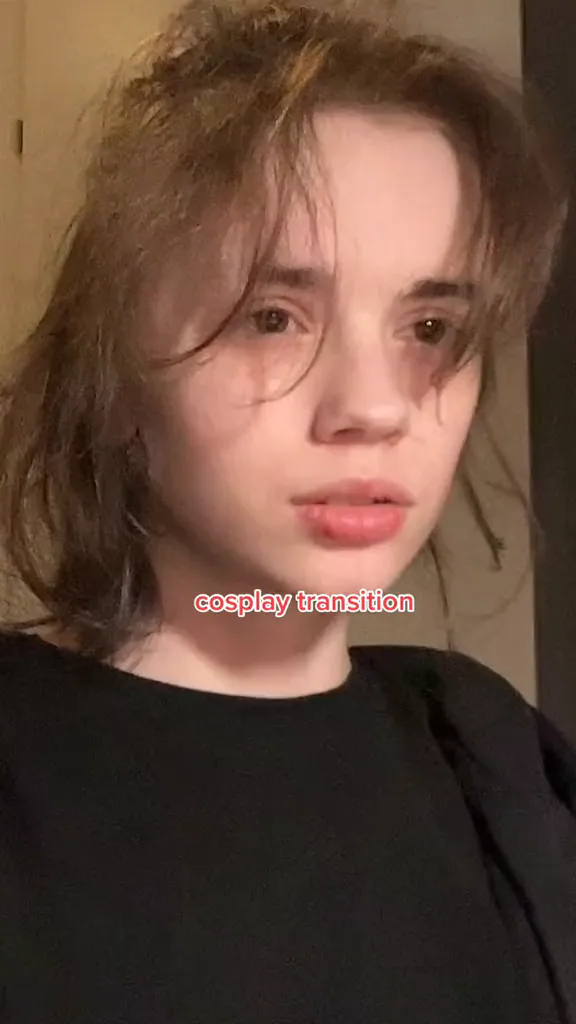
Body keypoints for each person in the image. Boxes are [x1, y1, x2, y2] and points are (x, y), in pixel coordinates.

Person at [0, 0, 574, 1020]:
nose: (378, 407)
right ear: (117, 376)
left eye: (430, 327)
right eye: (273, 317)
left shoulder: (494, 758)